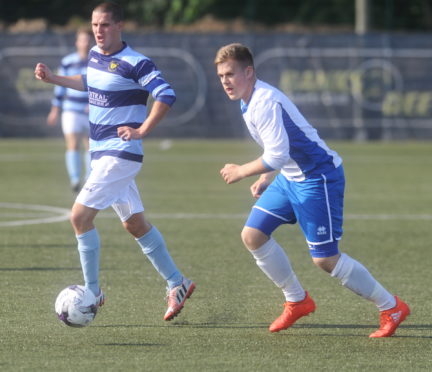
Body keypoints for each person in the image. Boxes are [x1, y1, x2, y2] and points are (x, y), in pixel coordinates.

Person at [214, 43, 409, 337]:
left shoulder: (264, 101)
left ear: (249, 72)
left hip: (319, 178)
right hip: (290, 178)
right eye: (220, 76)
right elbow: (275, 148)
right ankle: (297, 301)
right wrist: (267, 176)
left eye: (230, 74)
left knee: (325, 259)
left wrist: (242, 170)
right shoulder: (248, 100)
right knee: (252, 235)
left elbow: (277, 154)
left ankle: (391, 306)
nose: (225, 81)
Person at [35, 1, 195, 321]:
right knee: (134, 224)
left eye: (105, 25)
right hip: (100, 155)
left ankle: (92, 291)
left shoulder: (136, 62)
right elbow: (89, 81)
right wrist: (55, 79)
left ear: (119, 26)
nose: (98, 31)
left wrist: (143, 130)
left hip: (120, 155)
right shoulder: (95, 56)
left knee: (79, 217)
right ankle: (178, 283)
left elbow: (166, 95)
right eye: (95, 25)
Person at [47, 28, 93, 192]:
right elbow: (60, 87)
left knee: (90, 146)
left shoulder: (97, 61)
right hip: (71, 110)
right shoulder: (67, 61)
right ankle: (75, 179)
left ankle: (89, 178)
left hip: (91, 111)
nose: (85, 43)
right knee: (72, 144)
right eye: (82, 39)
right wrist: (55, 110)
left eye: (88, 40)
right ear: (77, 42)